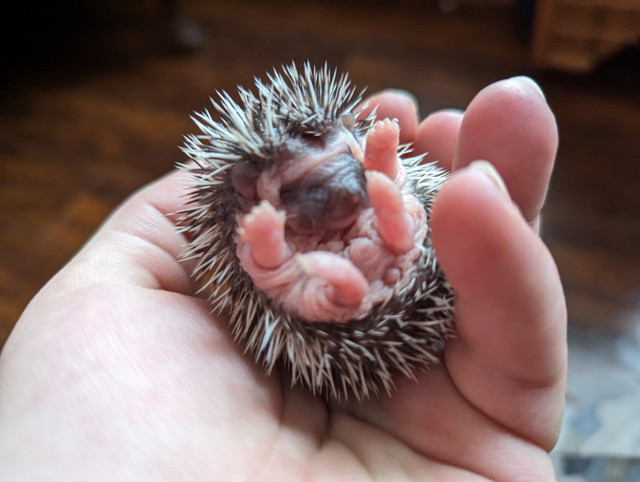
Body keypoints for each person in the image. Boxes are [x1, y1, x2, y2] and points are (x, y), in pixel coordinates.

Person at [0, 76, 566, 480]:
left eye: (343, 168)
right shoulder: (244, 229)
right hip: (332, 285)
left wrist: (373, 173)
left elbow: (370, 181)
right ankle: (356, 266)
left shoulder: (339, 175)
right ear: (250, 200)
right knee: (303, 279)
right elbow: (268, 263)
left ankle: (377, 237)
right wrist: (274, 246)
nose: (339, 196)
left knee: (400, 215)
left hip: (381, 251)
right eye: (299, 193)